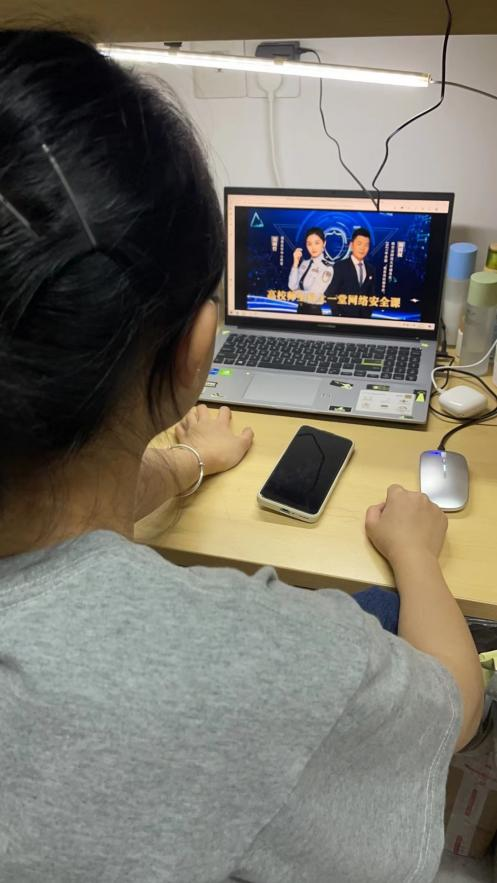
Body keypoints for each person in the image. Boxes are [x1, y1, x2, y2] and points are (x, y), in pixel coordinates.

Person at [0, 29, 483, 883]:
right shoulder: (267, 667)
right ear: (198, 349)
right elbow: (450, 704)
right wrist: (414, 551)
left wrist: (185, 466)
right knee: (397, 611)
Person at [326, 227, 377, 317]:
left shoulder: (371, 269)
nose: (363, 248)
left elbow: (371, 295)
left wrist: (368, 314)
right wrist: (337, 314)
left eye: (366, 245)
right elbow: (330, 293)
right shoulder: (340, 266)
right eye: (359, 244)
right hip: (343, 318)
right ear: (351, 245)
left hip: (364, 319)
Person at [288, 226, 333, 315]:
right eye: (309, 244)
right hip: (300, 309)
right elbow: (292, 286)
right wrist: (295, 263)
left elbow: (313, 297)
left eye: (317, 243)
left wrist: (295, 293)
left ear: (324, 244)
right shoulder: (304, 263)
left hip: (313, 311)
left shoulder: (327, 268)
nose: (313, 247)